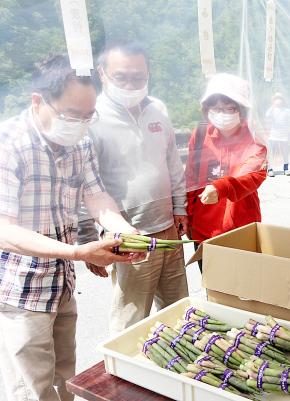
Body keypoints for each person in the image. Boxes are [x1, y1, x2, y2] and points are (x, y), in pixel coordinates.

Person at [0, 54, 141, 401]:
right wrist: (78, 252)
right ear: (38, 101)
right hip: (21, 292)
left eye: (87, 115)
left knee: (66, 377)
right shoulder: (9, 144)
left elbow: (97, 197)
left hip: (62, 284)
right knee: (31, 389)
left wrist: (123, 231)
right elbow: (5, 230)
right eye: (71, 115)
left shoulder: (82, 141)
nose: (79, 123)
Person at [77, 42, 189, 335]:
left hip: (169, 230)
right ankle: (124, 373)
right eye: (121, 77)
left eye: (138, 77)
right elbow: (84, 187)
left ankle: (178, 366)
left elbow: (173, 164)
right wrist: (88, 240)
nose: (131, 84)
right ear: (102, 74)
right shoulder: (93, 119)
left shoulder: (158, 111)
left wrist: (179, 208)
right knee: (131, 318)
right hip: (129, 239)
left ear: (148, 74)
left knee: (179, 309)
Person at [186, 73, 267, 265]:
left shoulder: (255, 136)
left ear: (242, 109)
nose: (222, 113)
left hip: (241, 231)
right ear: (206, 109)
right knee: (212, 289)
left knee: (243, 290)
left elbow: (254, 175)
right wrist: (188, 215)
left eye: (229, 108)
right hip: (204, 233)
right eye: (216, 108)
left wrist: (222, 187)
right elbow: (190, 177)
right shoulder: (199, 134)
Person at [265, 92, 290, 176]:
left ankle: (286, 169)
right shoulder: (272, 109)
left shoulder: (287, 110)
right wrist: (272, 106)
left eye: (280, 99)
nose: (278, 101)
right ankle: (270, 169)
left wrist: (289, 131)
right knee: (271, 152)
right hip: (274, 134)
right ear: (273, 101)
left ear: (283, 101)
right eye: (276, 99)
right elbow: (267, 115)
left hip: (284, 134)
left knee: (285, 152)